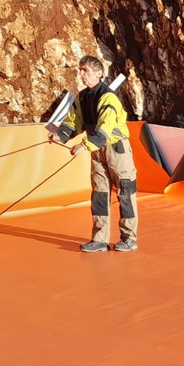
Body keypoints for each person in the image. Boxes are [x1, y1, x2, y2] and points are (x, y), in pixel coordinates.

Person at [50, 56, 138, 252]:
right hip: (97, 150)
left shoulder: (108, 98)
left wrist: (84, 146)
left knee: (125, 192)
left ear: (99, 74)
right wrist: (60, 136)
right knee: (99, 193)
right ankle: (100, 239)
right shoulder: (82, 97)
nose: (82, 74)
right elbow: (74, 122)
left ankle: (129, 238)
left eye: (86, 70)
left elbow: (105, 129)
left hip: (116, 149)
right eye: (80, 70)